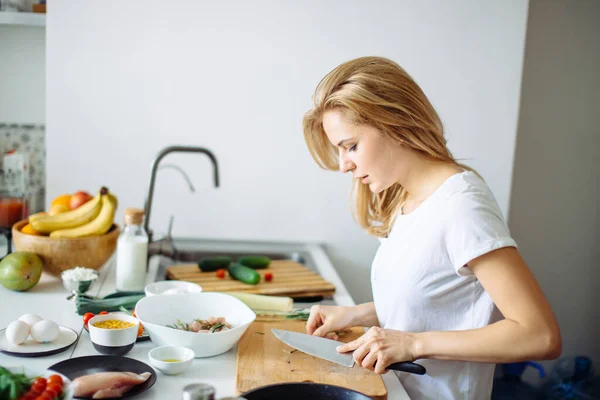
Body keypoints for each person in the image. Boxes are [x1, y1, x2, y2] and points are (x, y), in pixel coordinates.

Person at [302, 56, 561, 400]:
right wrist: (357, 314)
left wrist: (413, 344)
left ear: (394, 123)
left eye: (351, 146)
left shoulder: (461, 205)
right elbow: (437, 301)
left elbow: (539, 335)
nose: (344, 165)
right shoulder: (405, 199)